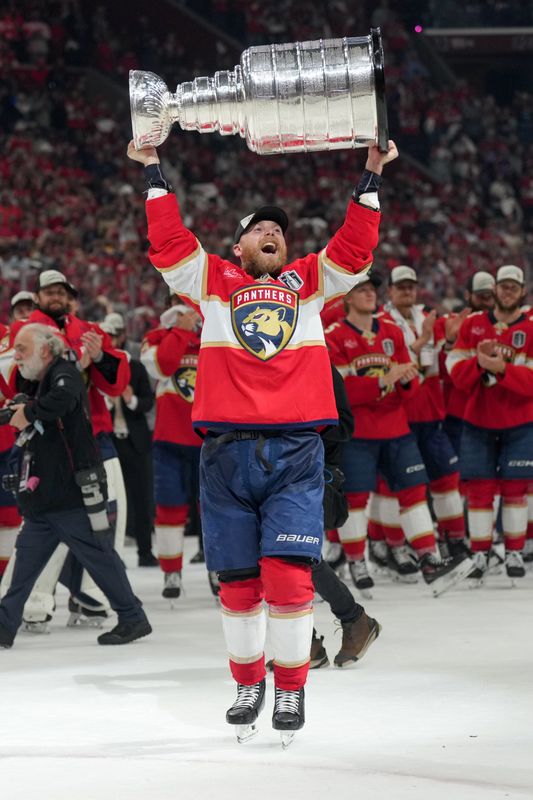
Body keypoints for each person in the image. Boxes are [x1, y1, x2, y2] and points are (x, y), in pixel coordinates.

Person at [128, 135, 398, 745]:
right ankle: (249, 682)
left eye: (279, 229)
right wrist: (151, 167)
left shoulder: (308, 281)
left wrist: (371, 173)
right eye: (259, 229)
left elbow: (355, 249)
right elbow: (169, 244)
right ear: (238, 246)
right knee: (239, 584)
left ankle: (292, 688)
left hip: (295, 452)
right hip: (224, 453)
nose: (272, 233)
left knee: (288, 577)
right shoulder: (214, 281)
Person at [0, 324, 151, 648]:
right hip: (44, 497)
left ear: (44, 349)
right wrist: (21, 409)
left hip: (72, 495)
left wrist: (27, 411)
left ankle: (132, 616)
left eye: (23, 349)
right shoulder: (40, 379)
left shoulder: (64, 372)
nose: (17, 356)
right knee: (25, 566)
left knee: (100, 558)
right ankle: (4, 625)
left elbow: (64, 399)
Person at [325, 274, 472, 596]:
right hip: (358, 434)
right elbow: (338, 390)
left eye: (371, 290)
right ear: (347, 298)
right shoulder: (333, 336)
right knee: (356, 499)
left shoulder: (391, 331)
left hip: (396, 428)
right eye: (361, 290)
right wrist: (382, 381)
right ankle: (355, 560)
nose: (369, 294)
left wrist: (404, 380)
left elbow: (410, 383)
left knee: (414, 491)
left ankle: (430, 560)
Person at [3, 269, 131, 629]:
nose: (56, 297)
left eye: (62, 292)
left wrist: (102, 356)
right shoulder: (25, 330)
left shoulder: (90, 329)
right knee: (47, 520)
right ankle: (34, 602)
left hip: (96, 437)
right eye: (49, 292)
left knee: (106, 520)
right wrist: (78, 360)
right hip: (48, 441)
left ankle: (92, 596)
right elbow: (17, 380)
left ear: (72, 296)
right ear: (39, 296)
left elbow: (116, 383)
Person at [446, 265, 533, 581]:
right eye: (503, 286)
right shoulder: (473, 325)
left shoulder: (532, 327)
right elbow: (456, 374)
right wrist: (479, 362)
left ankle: (514, 552)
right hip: (479, 421)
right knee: (480, 490)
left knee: (514, 489)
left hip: (520, 422)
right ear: (495, 289)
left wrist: (501, 368)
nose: (508, 291)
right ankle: (480, 553)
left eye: (514, 286)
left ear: (522, 291)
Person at [379, 266, 468, 555]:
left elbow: (442, 366)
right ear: (390, 291)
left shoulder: (430, 319)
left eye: (411, 286)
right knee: (396, 486)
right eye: (401, 286)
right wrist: (419, 343)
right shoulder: (382, 321)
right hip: (399, 416)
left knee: (447, 479)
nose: (407, 290)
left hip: (431, 416)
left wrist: (451, 342)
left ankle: (454, 541)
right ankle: (394, 548)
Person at [140, 299, 204, 597]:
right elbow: (163, 366)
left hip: (210, 438)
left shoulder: (217, 335)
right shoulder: (155, 337)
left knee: (217, 508)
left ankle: (220, 570)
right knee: (168, 508)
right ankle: (172, 573)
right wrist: (180, 332)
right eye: (178, 301)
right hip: (169, 439)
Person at [102, 318, 156, 567]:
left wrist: (131, 399)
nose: (110, 341)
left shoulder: (135, 367)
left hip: (136, 441)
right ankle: (114, 554)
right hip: (109, 442)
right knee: (110, 501)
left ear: (121, 337)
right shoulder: (97, 368)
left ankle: (145, 551)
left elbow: (148, 401)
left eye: (113, 336)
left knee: (142, 498)